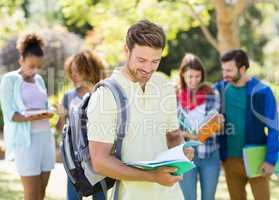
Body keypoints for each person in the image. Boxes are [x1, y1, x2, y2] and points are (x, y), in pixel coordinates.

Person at [87, 19, 194, 200]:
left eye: (155, 61)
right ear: (126, 50)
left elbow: (173, 136)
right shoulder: (106, 94)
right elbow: (100, 161)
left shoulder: (164, 86)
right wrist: (153, 177)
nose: (148, 68)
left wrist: (182, 151)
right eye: (141, 60)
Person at [214, 49, 279, 200]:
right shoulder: (220, 89)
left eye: (229, 70)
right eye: (223, 70)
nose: (225, 75)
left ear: (242, 68)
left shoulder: (262, 92)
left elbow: (273, 127)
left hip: (257, 158)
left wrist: (270, 160)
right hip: (230, 160)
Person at [0, 33, 55, 200]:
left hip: (46, 139)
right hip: (27, 142)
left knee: (41, 194)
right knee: (31, 196)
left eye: (38, 66)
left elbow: (44, 107)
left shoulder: (38, 80)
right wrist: (32, 117)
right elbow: (10, 114)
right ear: (21, 60)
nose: (35, 70)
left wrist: (50, 110)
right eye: (31, 65)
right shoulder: (9, 80)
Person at [55, 50, 106, 200]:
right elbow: (61, 129)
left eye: (78, 71)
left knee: (100, 196)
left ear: (89, 69)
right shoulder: (68, 96)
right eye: (72, 71)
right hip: (75, 161)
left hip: (97, 157)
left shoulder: (101, 94)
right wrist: (62, 115)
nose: (74, 75)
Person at [176, 53, 222, 200]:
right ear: (182, 74)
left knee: (209, 197)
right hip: (185, 155)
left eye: (198, 76)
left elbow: (215, 126)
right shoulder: (174, 95)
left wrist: (193, 135)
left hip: (209, 155)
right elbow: (171, 128)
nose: (194, 81)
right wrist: (193, 135)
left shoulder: (212, 94)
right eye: (190, 76)